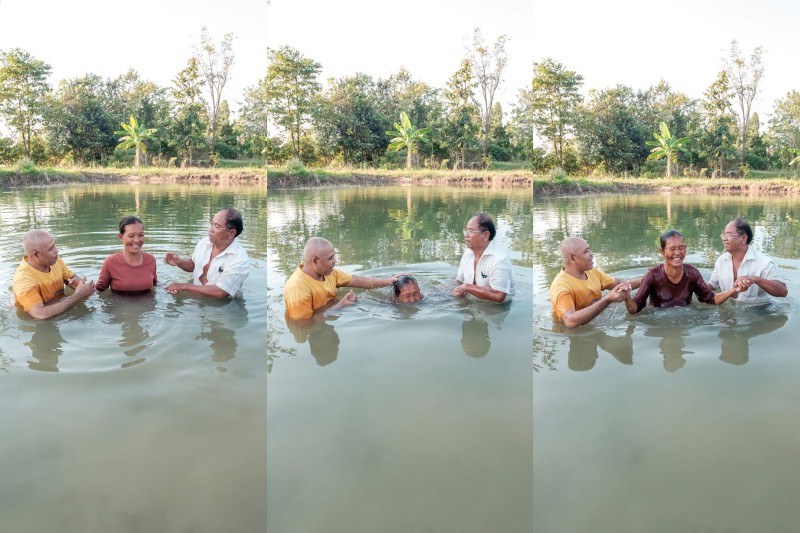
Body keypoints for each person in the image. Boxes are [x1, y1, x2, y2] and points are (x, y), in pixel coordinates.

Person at [626, 229, 742, 314]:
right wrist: (627, 297)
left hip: (687, 316)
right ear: (662, 252)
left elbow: (710, 298)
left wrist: (732, 291)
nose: (677, 253)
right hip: (658, 319)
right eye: (672, 249)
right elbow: (635, 308)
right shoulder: (652, 276)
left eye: (681, 248)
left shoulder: (692, 273)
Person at [284, 236, 401, 320]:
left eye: (334, 256)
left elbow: (358, 280)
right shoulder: (298, 287)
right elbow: (303, 326)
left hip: (328, 312)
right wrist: (340, 306)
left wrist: (388, 281)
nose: (335, 261)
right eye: (330, 258)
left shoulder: (330, 273)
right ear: (315, 260)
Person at [549, 236, 640, 328]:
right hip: (573, 336)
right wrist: (607, 299)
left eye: (589, 250)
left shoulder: (591, 271)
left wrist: (647, 278)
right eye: (586, 251)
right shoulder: (561, 286)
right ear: (572, 258)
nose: (591, 254)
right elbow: (570, 321)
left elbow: (619, 282)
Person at [164, 208, 249, 298]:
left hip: (223, 308)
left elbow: (220, 292)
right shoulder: (204, 243)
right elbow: (194, 265)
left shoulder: (239, 259)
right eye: (211, 224)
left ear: (231, 233)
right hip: (196, 300)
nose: (210, 229)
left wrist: (183, 286)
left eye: (216, 226)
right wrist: (179, 262)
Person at [12, 229, 95, 319]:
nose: (56, 250)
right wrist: (79, 295)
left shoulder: (54, 261)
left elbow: (71, 277)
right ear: (36, 254)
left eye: (54, 245)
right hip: (36, 324)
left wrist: (78, 284)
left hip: (60, 307)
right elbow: (40, 314)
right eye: (51, 248)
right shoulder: (23, 280)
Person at [708, 218, 788, 303]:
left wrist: (754, 279)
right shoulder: (721, 260)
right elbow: (712, 284)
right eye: (724, 234)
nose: (724, 238)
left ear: (743, 238)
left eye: (729, 234)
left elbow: (783, 292)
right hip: (728, 311)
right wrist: (696, 285)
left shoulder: (764, 262)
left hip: (757, 312)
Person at [454, 213, 515, 303]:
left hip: (495, 311)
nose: (466, 235)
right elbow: (459, 281)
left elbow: (499, 295)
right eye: (466, 230)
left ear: (485, 235)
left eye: (471, 231)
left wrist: (466, 287)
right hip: (472, 303)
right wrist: (435, 290)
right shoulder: (468, 253)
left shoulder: (499, 259)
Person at [96, 216, 157, 294]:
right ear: (121, 237)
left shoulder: (151, 260)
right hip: (119, 305)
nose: (137, 240)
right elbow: (99, 290)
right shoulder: (110, 262)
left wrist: (170, 288)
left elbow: (156, 284)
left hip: (148, 305)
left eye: (141, 235)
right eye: (131, 236)